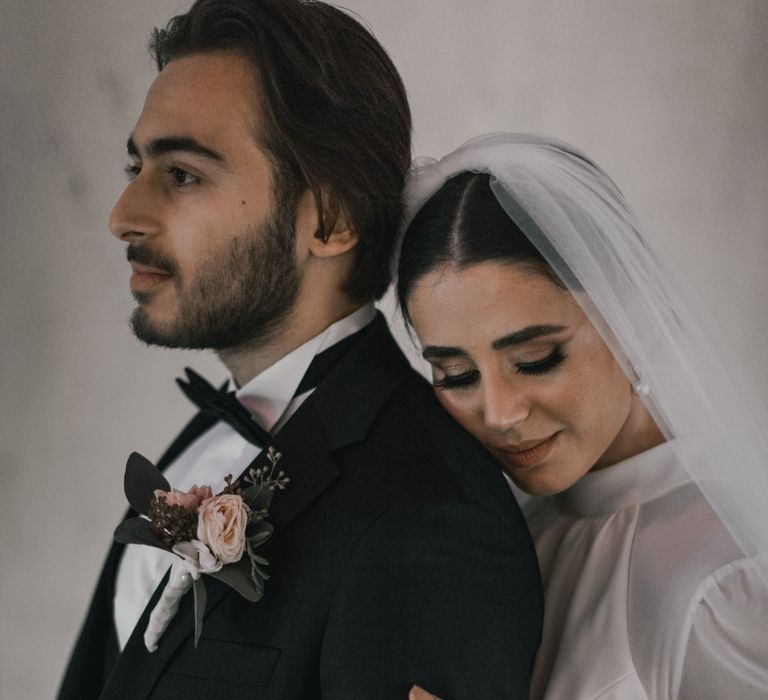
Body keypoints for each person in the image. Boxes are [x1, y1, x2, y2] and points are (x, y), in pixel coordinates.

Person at [56, 7, 542, 700]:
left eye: (184, 173)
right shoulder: (216, 431)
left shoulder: (430, 523)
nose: (123, 214)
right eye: (138, 164)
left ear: (331, 220)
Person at [397, 133, 768, 699]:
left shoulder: (723, 581)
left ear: (630, 317)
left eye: (535, 360)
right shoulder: (501, 536)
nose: (499, 414)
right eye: (457, 375)